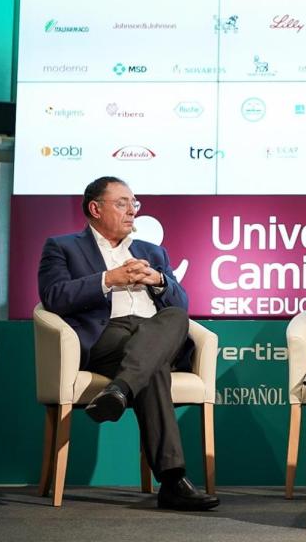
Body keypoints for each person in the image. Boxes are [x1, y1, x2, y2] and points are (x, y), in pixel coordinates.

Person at [38, 176, 219, 511]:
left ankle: (120, 390)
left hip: (152, 335)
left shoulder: (152, 252)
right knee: (152, 363)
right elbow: (53, 297)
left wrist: (159, 281)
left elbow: (182, 304)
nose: (131, 211)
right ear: (95, 208)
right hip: (106, 339)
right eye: (121, 203)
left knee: (174, 318)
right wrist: (109, 279)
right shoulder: (63, 247)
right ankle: (173, 482)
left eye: (134, 204)